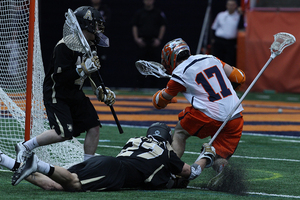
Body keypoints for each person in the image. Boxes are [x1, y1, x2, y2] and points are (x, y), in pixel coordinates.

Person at [15, 6, 116, 163]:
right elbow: (61, 78)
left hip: (75, 93)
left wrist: (102, 91)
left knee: (94, 126)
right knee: (63, 133)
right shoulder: (65, 45)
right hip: (58, 93)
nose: (98, 29)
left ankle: (86, 166)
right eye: (95, 25)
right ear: (86, 24)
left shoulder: (91, 46)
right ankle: (26, 146)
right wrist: (82, 69)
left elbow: (94, 73)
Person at [8, 123, 216, 191]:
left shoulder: (135, 140)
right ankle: (38, 164)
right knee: (73, 183)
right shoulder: (167, 152)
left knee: (54, 185)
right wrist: (206, 156)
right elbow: (192, 172)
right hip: (114, 171)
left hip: (107, 162)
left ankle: (8, 162)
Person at [152, 38, 246, 188]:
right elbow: (240, 77)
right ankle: (224, 172)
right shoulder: (210, 57)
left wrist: (162, 94)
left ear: (171, 58)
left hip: (210, 114)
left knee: (180, 132)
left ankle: (173, 170)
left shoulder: (178, 73)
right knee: (219, 158)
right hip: (235, 114)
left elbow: (159, 102)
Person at [132, 0, 167, 88]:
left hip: (153, 42)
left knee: (155, 64)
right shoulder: (139, 13)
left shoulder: (158, 13)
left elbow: (163, 25)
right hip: (142, 42)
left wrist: (159, 39)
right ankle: (139, 87)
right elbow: (134, 25)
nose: (148, 2)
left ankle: (154, 87)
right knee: (140, 64)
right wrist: (137, 39)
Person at [211, 0, 244, 66]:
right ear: (226, 6)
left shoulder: (238, 16)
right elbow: (214, 27)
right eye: (229, 5)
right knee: (217, 60)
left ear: (236, 6)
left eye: (232, 5)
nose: (230, 7)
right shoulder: (221, 15)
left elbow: (241, 27)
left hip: (231, 43)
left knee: (229, 61)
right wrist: (213, 39)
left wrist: (241, 15)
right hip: (219, 41)